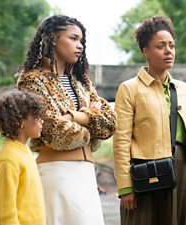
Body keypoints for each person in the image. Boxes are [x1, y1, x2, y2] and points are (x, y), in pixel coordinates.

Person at [16, 15, 117, 225]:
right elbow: (55, 133)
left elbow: (110, 124)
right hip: (56, 172)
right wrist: (92, 122)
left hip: (86, 172)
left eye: (81, 41)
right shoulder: (32, 80)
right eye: (73, 38)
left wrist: (75, 116)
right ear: (52, 38)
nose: (79, 46)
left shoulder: (81, 82)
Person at [113, 15, 186, 225]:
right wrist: (126, 186)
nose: (168, 51)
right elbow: (121, 141)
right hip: (147, 173)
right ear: (145, 52)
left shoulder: (182, 89)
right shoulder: (130, 89)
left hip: (183, 170)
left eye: (171, 46)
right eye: (160, 46)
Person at [0, 91, 46, 225]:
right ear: (20, 121)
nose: (41, 120)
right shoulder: (8, 160)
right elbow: (3, 217)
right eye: (36, 116)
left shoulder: (22, 151)